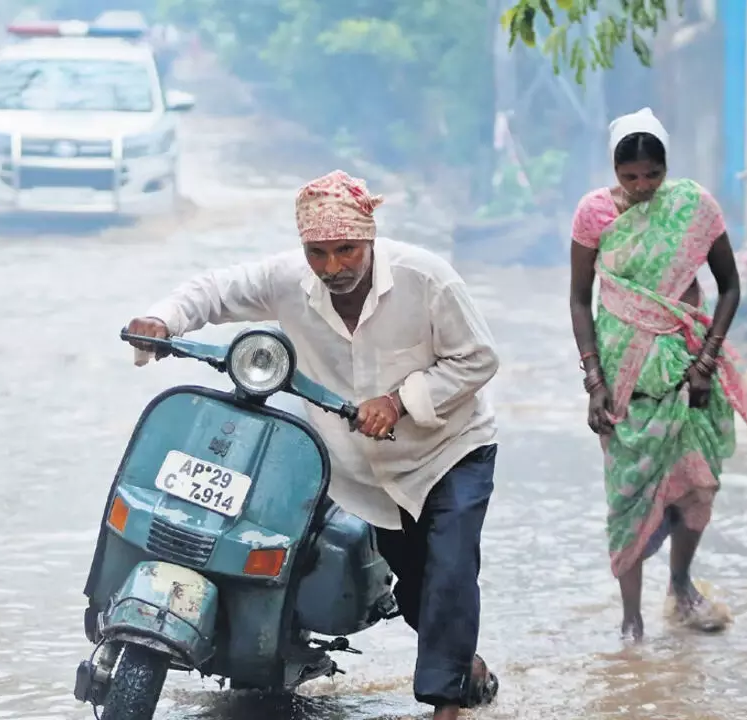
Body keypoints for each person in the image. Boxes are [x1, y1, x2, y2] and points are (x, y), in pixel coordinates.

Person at [123, 170, 501, 720]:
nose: (332, 268)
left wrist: (398, 400)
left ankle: (446, 708)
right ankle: (465, 670)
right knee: (419, 589)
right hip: (366, 471)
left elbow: (479, 358)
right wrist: (162, 318)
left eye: (346, 250)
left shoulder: (427, 279)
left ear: (369, 238)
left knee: (450, 566)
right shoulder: (287, 280)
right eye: (318, 253)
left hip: (449, 449)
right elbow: (215, 290)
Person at [569, 107, 747, 641]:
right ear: (615, 171)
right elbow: (581, 300)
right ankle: (631, 620)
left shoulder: (693, 207)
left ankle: (681, 584)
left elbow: (729, 286)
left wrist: (706, 361)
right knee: (627, 499)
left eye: (653, 174)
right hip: (625, 388)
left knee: (695, 489)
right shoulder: (594, 214)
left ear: (667, 167)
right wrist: (594, 382)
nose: (643, 185)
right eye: (631, 176)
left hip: (689, 382)